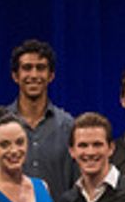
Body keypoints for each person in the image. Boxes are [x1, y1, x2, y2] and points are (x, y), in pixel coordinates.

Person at [8, 39, 75, 194]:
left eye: (40, 68)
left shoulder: (68, 126)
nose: (34, 74)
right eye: (27, 68)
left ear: (51, 76)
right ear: (15, 76)